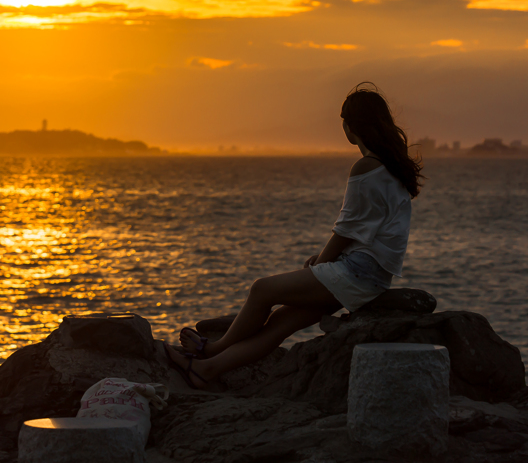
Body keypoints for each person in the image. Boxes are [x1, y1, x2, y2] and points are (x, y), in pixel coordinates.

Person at [165, 83, 423, 389]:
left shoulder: (367, 166)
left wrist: (319, 268)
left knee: (262, 290)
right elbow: (367, 233)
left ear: (350, 127)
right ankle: (206, 371)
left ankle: (210, 350)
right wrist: (326, 265)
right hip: (373, 276)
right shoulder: (392, 169)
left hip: (358, 274)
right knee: (279, 324)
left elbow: (345, 231)